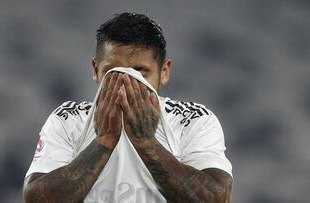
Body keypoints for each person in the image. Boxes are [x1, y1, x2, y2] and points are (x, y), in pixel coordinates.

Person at [23, 12, 233, 203]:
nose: (126, 84)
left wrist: (147, 143)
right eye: (113, 72)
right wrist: (102, 142)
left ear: (164, 72)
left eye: (140, 73)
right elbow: (36, 199)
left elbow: (216, 198)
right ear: (96, 70)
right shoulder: (67, 119)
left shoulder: (192, 121)